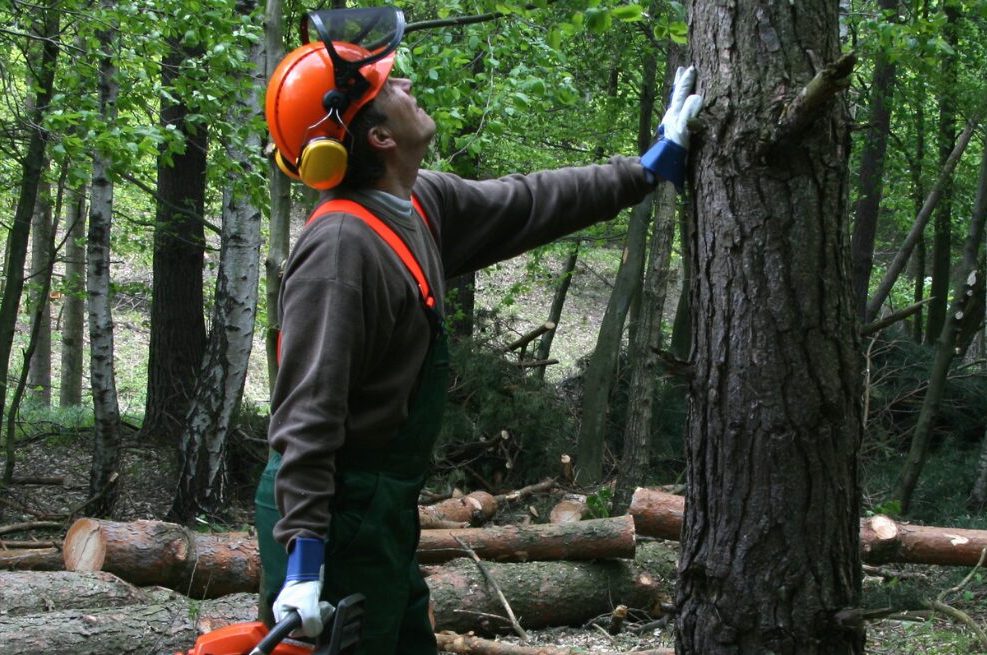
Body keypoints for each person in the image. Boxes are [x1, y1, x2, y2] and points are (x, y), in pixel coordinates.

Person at [255, 6, 704, 654]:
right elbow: (307, 416)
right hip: (329, 516)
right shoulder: (339, 249)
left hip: (379, 513)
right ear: (378, 137)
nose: (405, 85)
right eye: (389, 88)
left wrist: (646, 167)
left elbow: (529, 201)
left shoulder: (419, 203)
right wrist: (303, 565)